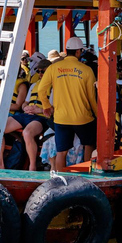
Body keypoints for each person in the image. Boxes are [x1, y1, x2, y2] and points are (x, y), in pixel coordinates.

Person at [38, 36, 98, 171]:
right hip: (83, 118)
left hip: (61, 118)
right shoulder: (87, 70)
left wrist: (46, 106)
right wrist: (98, 114)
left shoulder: (54, 68)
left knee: (62, 151)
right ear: (79, 52)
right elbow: (91, 97)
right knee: (88, 145)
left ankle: (60, 177)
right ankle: (86, 174)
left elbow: (41, 89)